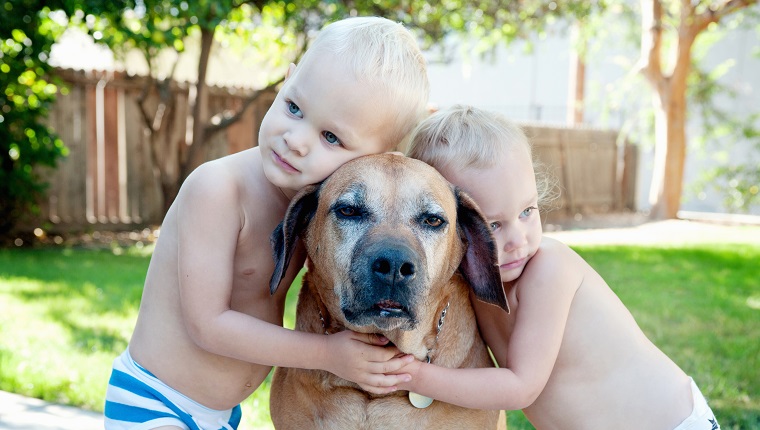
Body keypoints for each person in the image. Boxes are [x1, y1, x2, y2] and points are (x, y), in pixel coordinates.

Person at [104, 16, 429, 430]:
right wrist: (329, 354)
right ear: (286, 81)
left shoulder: (317, 213)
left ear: (375, 157)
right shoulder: (218, 189)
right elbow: (208, 326)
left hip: (221, 415)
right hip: (155, 400)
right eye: (294, 107)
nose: (295, 138)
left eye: (331, 137)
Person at [400, 105, 720, 430]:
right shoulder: (467, 285)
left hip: (671, 422)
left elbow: (520, 388)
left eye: (527, 211)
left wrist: (414, 376)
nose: (518, 239)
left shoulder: (549, 269)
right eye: (493, 225)